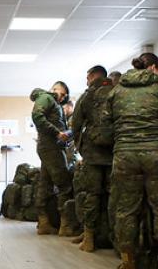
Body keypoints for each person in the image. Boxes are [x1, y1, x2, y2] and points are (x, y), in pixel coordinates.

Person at [107, 53, 158, 269]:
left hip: (125, 155)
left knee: (126, 210)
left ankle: (128, 264)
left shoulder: (116, 91)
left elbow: (106, 125)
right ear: (153, 68)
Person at [69, 65, 115, 252]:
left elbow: (76, 124)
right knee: (114, 196)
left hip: (93, 154)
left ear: (92, 76)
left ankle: (89, 237)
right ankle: (113, 238)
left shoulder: (87, 95)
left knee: (92, 194)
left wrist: (81, 149)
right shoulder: (117, 91)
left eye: (87, 77)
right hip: (115, 153)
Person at [30, 81, 75, 236]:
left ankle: (44, 222)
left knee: (45, 183)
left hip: (49, 147)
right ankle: (65, 225)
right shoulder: (47, 98)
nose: (62, 98)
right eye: (62, 94)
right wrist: (58, 133)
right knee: (64, 185)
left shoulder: (50, 100)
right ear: (56, 89)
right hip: (52, 148)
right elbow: (37, 116)